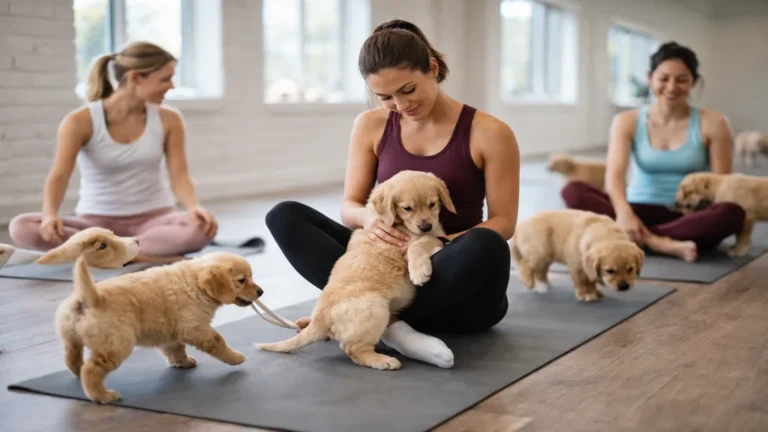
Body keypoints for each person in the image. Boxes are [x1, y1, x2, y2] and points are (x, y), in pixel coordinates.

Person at [266, 19, 520, 368]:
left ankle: (375, 322)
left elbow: (504, 222)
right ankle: (374, 320)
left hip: (454, 284)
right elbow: (350, 206)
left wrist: (433, 245)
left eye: (408, 90)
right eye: (385, 97)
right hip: (386, 275)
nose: (400, 105)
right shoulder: (370, 125)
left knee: (486, 243)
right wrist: (370, 218)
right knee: (285, 216)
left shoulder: (490, 132)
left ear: (432, 68)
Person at [8, 41, 217, 264]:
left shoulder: (170, 119)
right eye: (165, 79)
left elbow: (180, 176)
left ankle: (107, 254)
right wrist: (49, 215)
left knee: (200, 228)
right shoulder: (80, 121)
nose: (171, 86)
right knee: (22, 227)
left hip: (155, 221)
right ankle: (138, 256)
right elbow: (59, 175)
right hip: (94, 224)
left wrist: (194, 206)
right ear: (135, 77)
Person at [561, 42, 745, 262]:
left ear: (694, 82)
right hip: (636, 209)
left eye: (682, 79)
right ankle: (659, 243)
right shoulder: (626, 121)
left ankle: (630, 237)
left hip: (687, 215)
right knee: (573, 190)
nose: (671, 87)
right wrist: (624, 214)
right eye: (664, 78)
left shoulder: (714, 123)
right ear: (650, 78)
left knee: (731, 212)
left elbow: (722, 186)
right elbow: (614, 176)